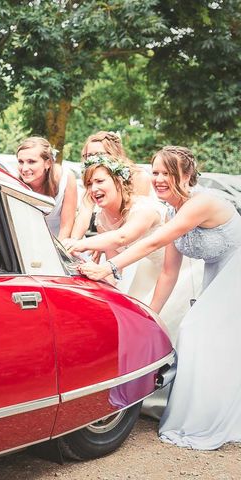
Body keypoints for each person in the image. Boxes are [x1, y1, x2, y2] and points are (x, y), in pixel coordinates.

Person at [79, 146, 241, 450]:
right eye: (155, 172)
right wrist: (149, 316)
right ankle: (210, 412)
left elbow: (154, 240)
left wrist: (110, 268)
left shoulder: (201, 203)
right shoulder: (171, 210)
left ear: (187, 175)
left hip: (236, 276)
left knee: (195, 332)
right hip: (216, 275)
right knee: (205, 339)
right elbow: (168, 272)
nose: (159, 179)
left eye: (167, 172)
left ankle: (206, 420)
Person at [64, 154, 167, 304]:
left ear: (118, 181)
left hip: (174, 272)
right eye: (89, 184)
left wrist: (79, 244)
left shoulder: (144, 209)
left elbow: (122, 237)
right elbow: (114, 270)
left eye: (99, 181)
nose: (93, 189)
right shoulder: (102, 220)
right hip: (146, 272)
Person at [70, 131, 153, 240]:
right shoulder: (94, 185)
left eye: (98, 155)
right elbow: (83, 217)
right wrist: (72, 244)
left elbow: (135, 220)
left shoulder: (139, 177)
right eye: (88, 156)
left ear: (113, 154)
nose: (92, 160)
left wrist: (104, 240)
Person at [16, 137, 77, 239]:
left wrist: (58, 253)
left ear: (47, 163)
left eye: (31, 161)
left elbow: (66, 226)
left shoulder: (66, 178)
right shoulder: (15, 183)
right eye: (21, 162)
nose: (24, 168)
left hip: (62, 242)